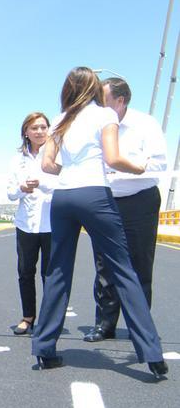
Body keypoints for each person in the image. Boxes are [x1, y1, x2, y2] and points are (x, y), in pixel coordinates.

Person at [33, 66, 167, 379]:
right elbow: (113, 158)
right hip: (95, 194)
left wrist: (70, 170)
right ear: (93, 87)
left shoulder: (61, 118)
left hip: (63, 197)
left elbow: (47, 165)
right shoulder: (104, 115)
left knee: (57, 271)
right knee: (123, 269)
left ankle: (45, 348)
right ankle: (151, 353)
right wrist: (139, 168)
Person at [84, 77, 167, 343]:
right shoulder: (96, 125)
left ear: (120, 101)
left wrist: (120, 166)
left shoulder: (146, 124)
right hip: (105, 201)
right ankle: (104, 324)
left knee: (140, 264)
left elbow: (159, 164)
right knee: (104, 266)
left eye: (103, 100)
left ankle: (139, 327)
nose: (98, 105)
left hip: (140, 201)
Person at [6, 112, 54, 335]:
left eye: (43, 127)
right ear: (26, 132)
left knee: (50, 274)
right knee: (25, 272)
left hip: (52, 223)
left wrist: (41, 183)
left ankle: (48, 319)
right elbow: (10, 193)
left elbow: (64, 185)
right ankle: (28, 317)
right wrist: (22, 188)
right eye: (34, 128)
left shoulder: (57, 155)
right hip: (26, 224)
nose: (39, 131)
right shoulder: (17, 160)